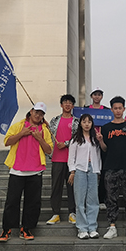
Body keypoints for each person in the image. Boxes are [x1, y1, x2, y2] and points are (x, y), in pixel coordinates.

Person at [0, 102, 53, 242]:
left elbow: (49, 150)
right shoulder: (18, 126)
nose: (38, 115)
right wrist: (22, 133)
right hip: (17, 170)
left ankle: (27, 228)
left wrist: (39, 138)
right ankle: (7, 229)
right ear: (31, 111)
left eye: (41, 114)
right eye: (36, 112)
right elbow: (7, 141)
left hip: (35, 171)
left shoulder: (44, 130)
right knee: (12, 201)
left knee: (33, 202)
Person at [97, 95, 126, 239]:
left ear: (124, 109)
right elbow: (104, 149)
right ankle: (112, 227)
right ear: (111, 109)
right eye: (115, 108)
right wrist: (101, 141)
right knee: (111, 198)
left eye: (120, 108)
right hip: (110, 167)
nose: (117, 110)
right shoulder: (105, 128)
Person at [68, 113, 102, 239]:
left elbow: (98, 156)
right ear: (80, 124)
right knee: (80, 199)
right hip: (80, 170)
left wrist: (98, 171)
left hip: (93, 169)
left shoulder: (94, 139)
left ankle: (92, 227)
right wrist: (72, 171)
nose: (87, 124)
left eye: (89, 122)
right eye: (84, 122)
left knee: (93, 200)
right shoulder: (75, 139)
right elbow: (71, 157)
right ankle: (82, 228)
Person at [46, 94, 79, 225]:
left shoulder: (76, 121)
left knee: (72, 187)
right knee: (56, 187)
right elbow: (49, 135)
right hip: (57, 159)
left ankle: (72, 213)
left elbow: (78, 137)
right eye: (65, 102)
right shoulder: (54, 120)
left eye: (70, 102)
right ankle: (55, 213)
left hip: (72, 159)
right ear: (61, 105)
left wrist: (65, 143)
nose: (67, 104)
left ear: (73, 106)